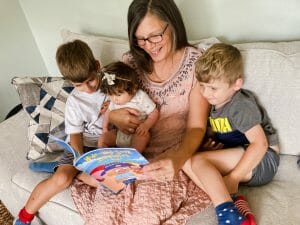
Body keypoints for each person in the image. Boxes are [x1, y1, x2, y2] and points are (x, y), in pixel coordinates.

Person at [70, 0, 212, 224]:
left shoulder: (196, 65)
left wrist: (178, 159)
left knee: (144, 216)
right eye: (140, 39)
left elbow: (197, 127)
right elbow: (108, 105)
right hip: (126, 156)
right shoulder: (128, 65)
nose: (149, 45)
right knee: (103, 215)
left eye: (155, 36)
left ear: (173, 24)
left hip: (169, 156)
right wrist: (114, 117)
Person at [14, 39, 108, 225]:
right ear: (70, 81)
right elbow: (75, 134)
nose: (88, 89)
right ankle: (24, 218)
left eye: (91, 80)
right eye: (79, 84)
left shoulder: (111, 85)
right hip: (82, 144)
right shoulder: (74, 101)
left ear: (97, 66)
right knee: (62, 179)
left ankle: (64, 168)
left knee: (105, 183)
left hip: (106, 144)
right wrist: (79, 158)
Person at [186, 43, 280, 225]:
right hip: (243, 154)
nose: (206, 93)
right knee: (186, 162)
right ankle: (232, 202)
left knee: (199, 162)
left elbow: (260, 144)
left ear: (237, 83)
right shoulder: (217, 100)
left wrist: (234, 177)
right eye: (202, 86)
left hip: (263, 159)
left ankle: (229, 214)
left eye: (213, 88)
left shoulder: (240, 105)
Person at [98, 61, 159, 152]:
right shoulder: (114, 100)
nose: (114, 99)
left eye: (118, 94)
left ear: (133, 89)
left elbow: (154, 112)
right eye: (110, 94)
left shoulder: (140, 96)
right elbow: (108, 113)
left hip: (137, 132)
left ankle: (130, 161)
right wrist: (105, 129)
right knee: (102, 139)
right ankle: (105, 159)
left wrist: (146, 126)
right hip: (119, 133)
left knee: (142, 138)